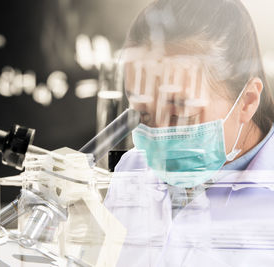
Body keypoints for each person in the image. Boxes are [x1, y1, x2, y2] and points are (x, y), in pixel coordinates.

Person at [103, 0, 274, 266]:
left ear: (248, 101)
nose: (159, 138)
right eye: (144, 114)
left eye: (180, 115)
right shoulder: (132, 170)